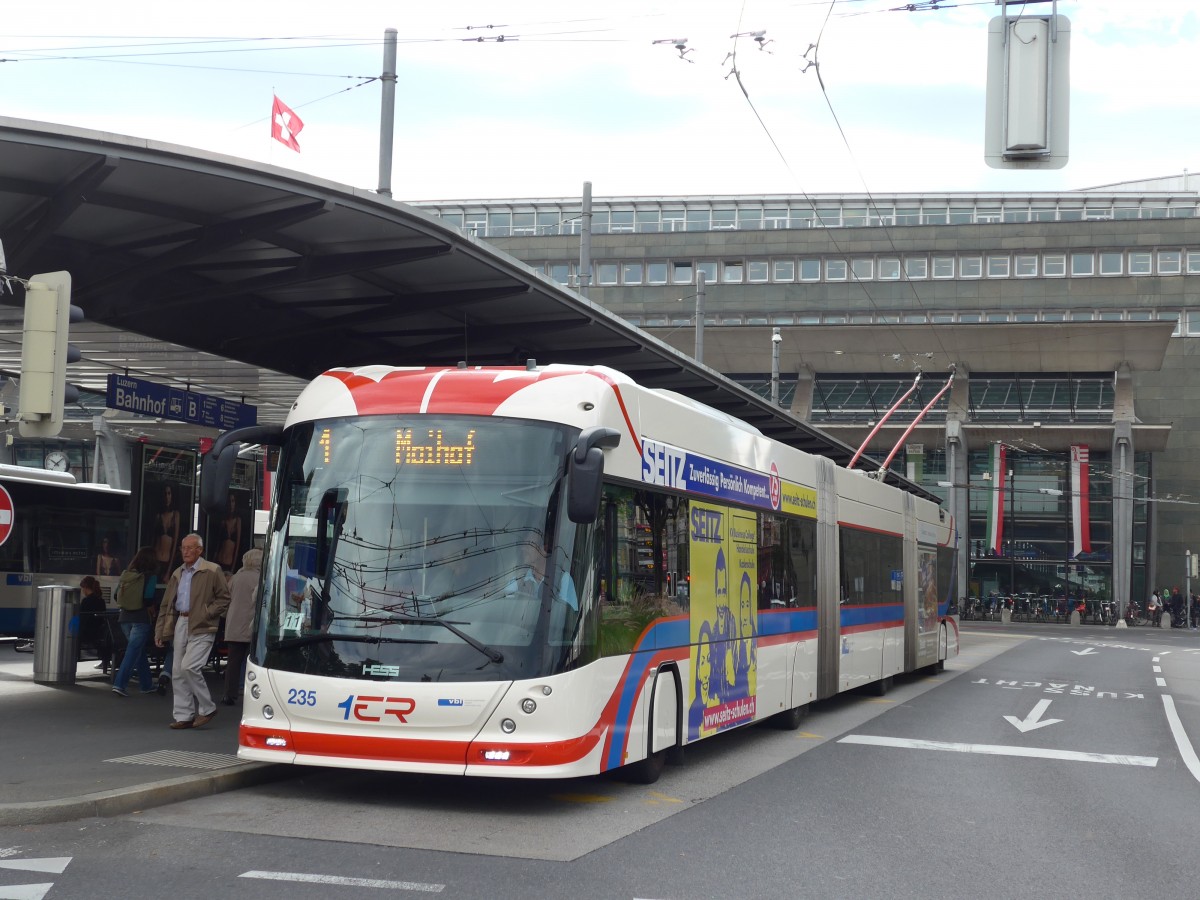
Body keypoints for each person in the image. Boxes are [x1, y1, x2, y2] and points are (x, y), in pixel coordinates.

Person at [154, 533, 230, 730]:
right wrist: (160, 630)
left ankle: (207, 707)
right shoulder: (177, 573)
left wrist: (207, 613)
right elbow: (166, 604)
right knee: (178, 670)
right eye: (183, 548)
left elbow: (224, 598)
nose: (185, 551)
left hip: (202, 624)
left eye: (190, 547)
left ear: (200, 550)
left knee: (189, 666)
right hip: (181, 621)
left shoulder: (212, 570)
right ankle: (184, 715)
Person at [110, 547, 159, 697]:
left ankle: (147, 684)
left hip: (124, 618)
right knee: (133, 651)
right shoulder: (150, 576)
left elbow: (116, 596)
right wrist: (153, 610)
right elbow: (148, 598)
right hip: (141, 619)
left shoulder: (126, 574)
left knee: (138, 651)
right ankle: (119, 684)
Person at [222, 547, 261, 706]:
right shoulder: (261, 578)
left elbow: (226, 598)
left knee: (233, 662)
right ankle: (254, 693)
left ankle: (229, 694)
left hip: (234, 624)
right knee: (256, 661)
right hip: (253, 625)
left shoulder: (236, 578)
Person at [77, 575, 111, 674]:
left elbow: (82, 620)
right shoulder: (101, 600)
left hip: (88, 634)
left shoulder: (86, 601)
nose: (82, 591)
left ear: (86, 588)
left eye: (82, 588)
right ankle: (105, 662)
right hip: (100, 633)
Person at [155, 483, 181, 580]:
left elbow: (175, 543)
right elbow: (156, 541)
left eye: (169, 493)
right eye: (165, 494)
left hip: (167, 560)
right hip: (157, 559)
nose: (167, 496)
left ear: (172, 495)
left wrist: (169, 570)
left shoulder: (176, 515)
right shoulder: (159, 516)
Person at [216, 493, 243, 572]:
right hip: (219, 560)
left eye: (233, 501)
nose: (231, 504)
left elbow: (237, 546)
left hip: (229, 563)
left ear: (235, 503)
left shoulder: (238, 521)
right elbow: (218, 543)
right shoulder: (223, 521)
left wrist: (233, 567)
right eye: (229, 502)